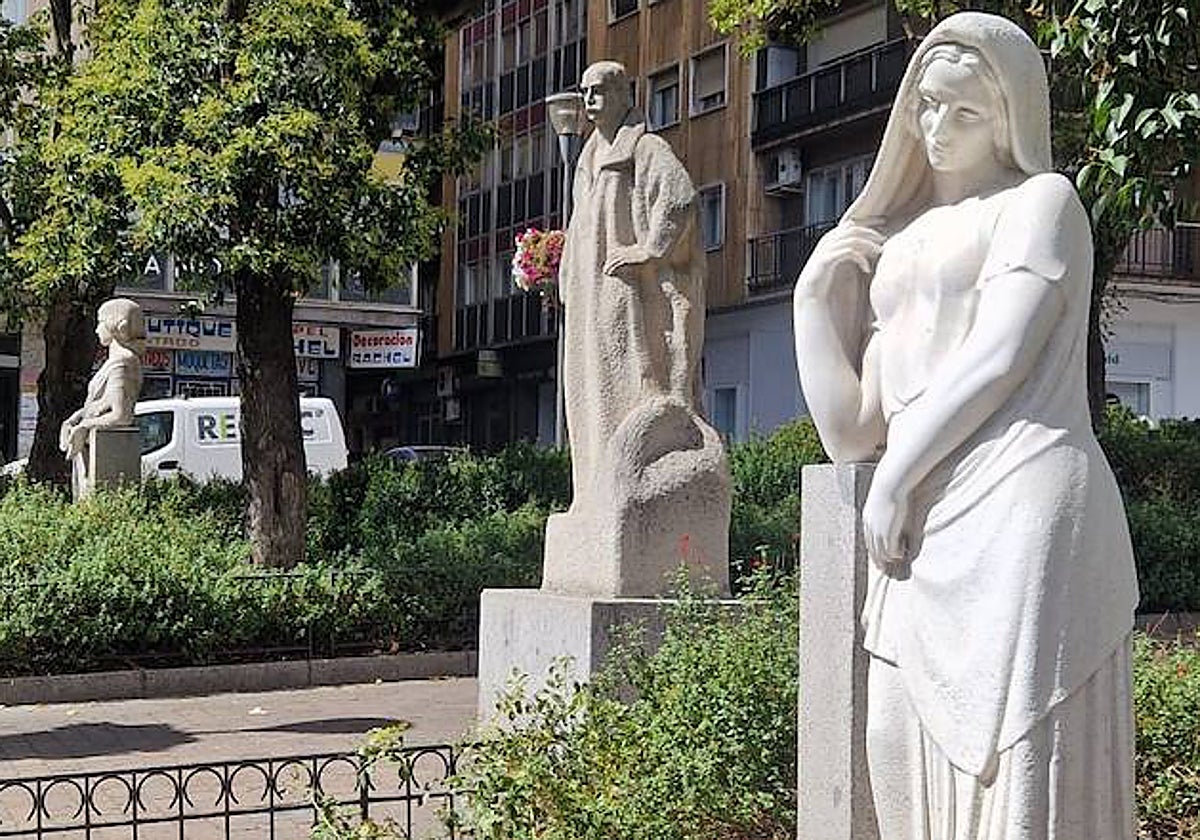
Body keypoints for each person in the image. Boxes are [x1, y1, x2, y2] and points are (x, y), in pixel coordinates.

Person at [793, 12, 1138, 840]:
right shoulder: (901, 247)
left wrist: (901, 473)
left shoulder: (1041, 204)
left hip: (1021, 502)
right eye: (927, 107)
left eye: (965, 112)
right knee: (895, 739)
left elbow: (1000, 357)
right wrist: (811, 301)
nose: (938, 128)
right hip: (921, 528)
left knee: (1017, 768)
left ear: (1010, 118)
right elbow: (851, 433)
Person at [60, 298, 146, 497]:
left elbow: (121, 416)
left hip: (106, 448)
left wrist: (84, 426)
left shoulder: (122, 363)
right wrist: (74, 419)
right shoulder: (115, 362)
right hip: (92, 447)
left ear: (116, 326)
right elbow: (103, 402)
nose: (97, 329)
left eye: (101, 323)